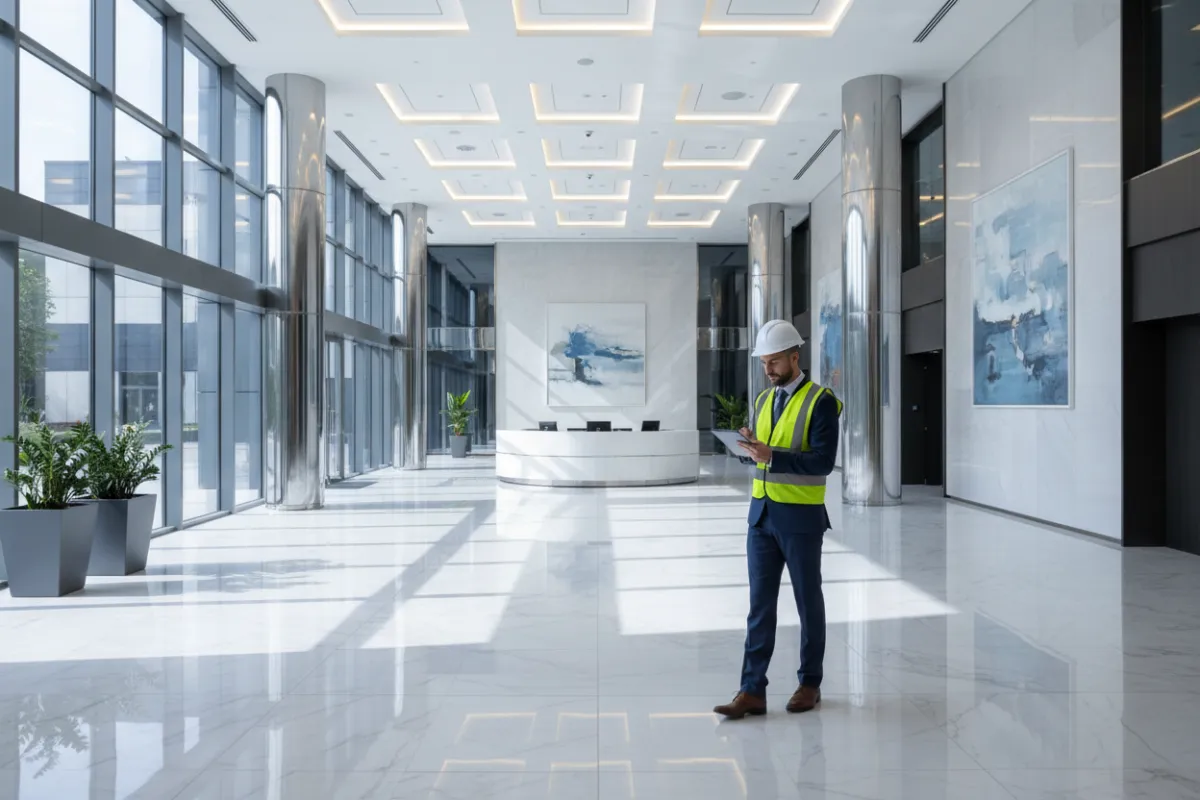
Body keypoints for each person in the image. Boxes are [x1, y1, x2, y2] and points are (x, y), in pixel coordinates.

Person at [714, 319, 842, 720]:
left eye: (774, 362)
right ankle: (752, 690)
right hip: (762, 516)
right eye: (763, 362)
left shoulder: (821, 401)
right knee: (759, 607)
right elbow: (763, 454)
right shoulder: (764, 400)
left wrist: (773, 455)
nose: (768, 369)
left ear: (794, 356)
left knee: (808, 603)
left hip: (801, 518)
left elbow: (823, 461)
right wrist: (749, 447)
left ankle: (810, 683)